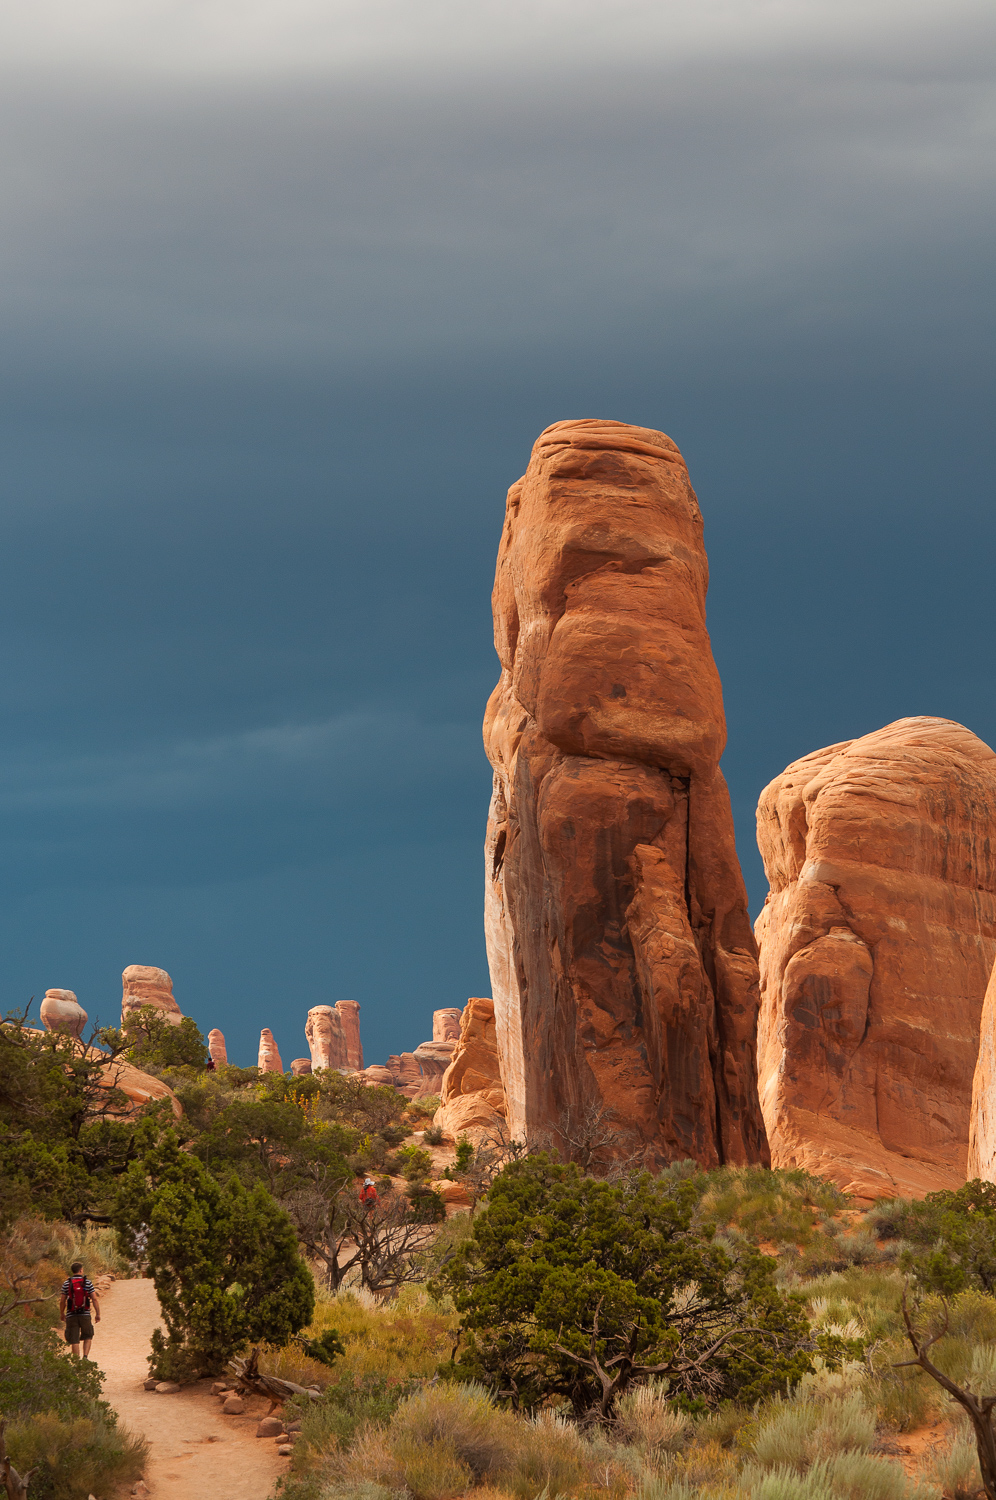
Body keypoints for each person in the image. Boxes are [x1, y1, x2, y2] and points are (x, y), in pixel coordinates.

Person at [59, 1260, 100, 1358]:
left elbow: (62, 1301)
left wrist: (62, 1313)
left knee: (74, 1339)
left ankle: (76, 1362)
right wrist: (98, 1313)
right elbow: (94, 1299)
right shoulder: (87, 1282)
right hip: (85, 1314)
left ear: (72, 1271)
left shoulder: (67, 1283)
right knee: (88, 1335)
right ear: (81, 1270)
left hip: (71, 1314)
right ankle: (85, 1358)